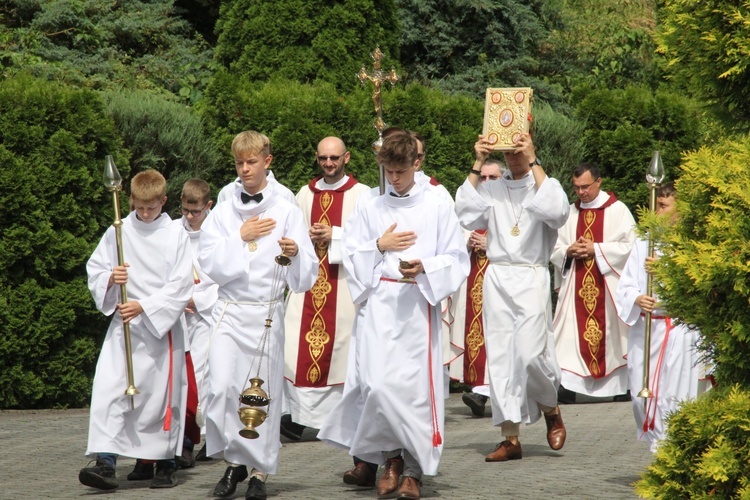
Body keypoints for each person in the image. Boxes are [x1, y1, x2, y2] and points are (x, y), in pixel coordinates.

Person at [318, 131, 470, 500]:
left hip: (417, 305)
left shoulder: (437, 202)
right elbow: (351, 254)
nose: (394, 178)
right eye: (388, 170)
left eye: (400, 170)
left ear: (416, 164)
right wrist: (378, 245)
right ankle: (390, 459)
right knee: (377, 388)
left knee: (414, 393)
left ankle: (413, 470)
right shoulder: (370, 204)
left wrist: (426, 266)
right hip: (380, 305)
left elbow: (456, 257)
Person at [198, 131, 318, 500]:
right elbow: (208, 261)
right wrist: (241, 235)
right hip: (231, 310)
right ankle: (234, 460)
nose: (245, 169)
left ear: (267, 161)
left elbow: (307, 272)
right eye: (239, 162)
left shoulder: (285, 209)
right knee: (221, 389)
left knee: (259, 397)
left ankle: (257, 473)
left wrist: (296, 251)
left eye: (252, 162)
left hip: (265, 313)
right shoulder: (223, 208)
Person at [454, 132, 570, 462]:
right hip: (498, 276)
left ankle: (550, 407)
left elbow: (558, 212)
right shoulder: (491, 188)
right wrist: (478, 161)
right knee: (502, 357)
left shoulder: (544, 183)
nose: (513, 157)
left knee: (532, 354)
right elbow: (463, 210)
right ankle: (510, 438)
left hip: (531, 273)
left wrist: (533, 159)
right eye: (508, 152)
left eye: (519, 151)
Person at [79, 169, 193, 491]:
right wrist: (110, 280)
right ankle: (105, 463)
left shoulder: (175, 234)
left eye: (151, 208)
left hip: (159, 329)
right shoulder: (118, 230)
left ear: (163, 201)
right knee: (109, 391)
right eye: (139, 207)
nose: (144, 214)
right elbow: (96, 269)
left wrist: (144, 305)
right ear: (130, 200)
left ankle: (165, 463)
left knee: (158, 400)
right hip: (124, 328)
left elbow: (181, 286)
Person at [282, 136, 370, 441]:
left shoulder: (363, 195)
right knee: (295, 348)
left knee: (342, 352)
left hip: (344, 284)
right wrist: (304, 237)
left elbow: (371, 241)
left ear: (347, 158)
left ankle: (339, 420)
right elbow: (288, 232)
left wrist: (336, 234)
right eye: (323, 159)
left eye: (334, 158)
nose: (328, 164)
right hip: (307, 282)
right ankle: (298, 417)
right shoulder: (304, 194)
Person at [615, 181, 709, 452]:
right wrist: (636, 298)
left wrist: (667, 269)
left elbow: (696, 288)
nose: (655, 211)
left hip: (677, 330)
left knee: (672, 394)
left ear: (679, 209)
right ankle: (657, 446)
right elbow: (626, 285)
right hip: (645, 330)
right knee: (640, 396)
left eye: (663, 205)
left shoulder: (691, 245)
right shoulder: (643, 243)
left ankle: (666, 454)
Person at [550, 163, 636, 399]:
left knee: (614, 337)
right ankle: (568, 386)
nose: (581, 192)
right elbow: (553, 247)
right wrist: (569, 250)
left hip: (607, 286)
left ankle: (621, 387)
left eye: (585, 187)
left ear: (599, 182)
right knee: (567, 335)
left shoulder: (618, 210)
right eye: (576, 188)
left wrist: (595, 249)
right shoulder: (569, 213)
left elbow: (631, 248)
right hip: (575, 284)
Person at [454, 159, 505, 417]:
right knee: (477, 334)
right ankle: (480, 390)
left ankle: (486, 393)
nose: (486, 183)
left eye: (492, 177)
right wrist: (468, 241)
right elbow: (452, 238)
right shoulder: (470, 206)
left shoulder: (510, 204)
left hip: (502, 282)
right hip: (473, 280)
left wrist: (491, 244)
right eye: (482, 177)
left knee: (499, 336)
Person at [177, 179, 218, 464]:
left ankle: (211, 437)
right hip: (178, 314)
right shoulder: (173, 231)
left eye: (196, 212)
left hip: (207, 315)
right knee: (182, 379)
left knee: (204, 378)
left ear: (209, 206)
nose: (190, 217)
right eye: (186, 211)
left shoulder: (218, 232)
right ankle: (184, 439)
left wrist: (198, 300)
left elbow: (223, 275)